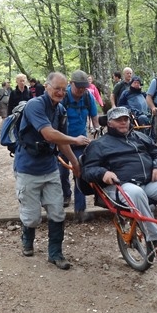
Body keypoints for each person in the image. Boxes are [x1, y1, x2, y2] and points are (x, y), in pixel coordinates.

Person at [82, 107, 157, 260]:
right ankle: (154, 239)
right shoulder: (99, 144)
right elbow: (88, 170)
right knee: (136, 192)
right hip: (120, 186)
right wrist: (103, 173)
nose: (123, 122)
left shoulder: (139, 137)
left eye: (126, 119)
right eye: (119, 120)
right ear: (110, 123)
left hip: (147, 182)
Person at [14, 72, 91, 270]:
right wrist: (75, 140)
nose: (59, 92)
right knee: (32, 217)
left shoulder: (61, 110)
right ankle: (27, 239)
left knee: (57, 212)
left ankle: (55, 253)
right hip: (28, 169)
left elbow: (60, 141)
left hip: (50, 168)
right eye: (56, 88)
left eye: (62, 89)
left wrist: (75, 163)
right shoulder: (35, 105)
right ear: (47, 87)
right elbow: (49, 134)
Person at [60, 70, 100, 221]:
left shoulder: (88, 97)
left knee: (80, 173)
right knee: (62, 173)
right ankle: (65, 195)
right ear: (71, 84)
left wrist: (96, 130)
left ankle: (80, 210)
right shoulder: (63, 98)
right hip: (62, 142)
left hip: (80, 142)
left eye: (84, 87)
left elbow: (94, 115)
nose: (82, 90)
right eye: (79, 87)